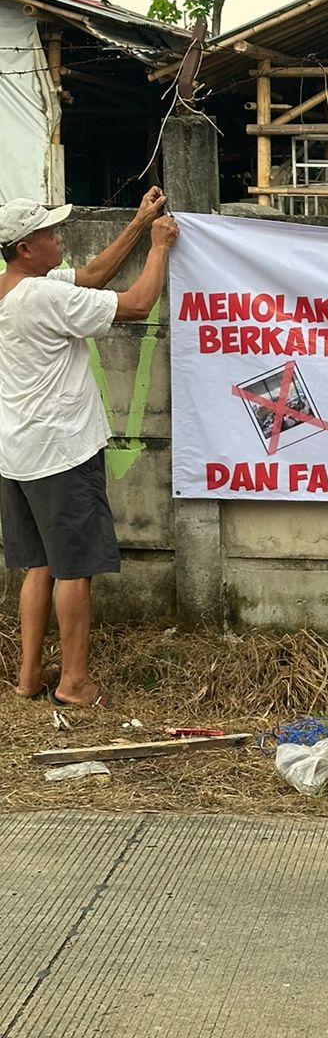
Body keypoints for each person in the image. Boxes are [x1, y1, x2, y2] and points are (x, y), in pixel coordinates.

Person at [0, 190, 179, 714]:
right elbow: (137, 303)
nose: (61, 239)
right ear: (26, 247)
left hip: (18, 451)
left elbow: (95, 275)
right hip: (61, 451)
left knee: (38, 566)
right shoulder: (43, 298)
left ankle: (28, 675)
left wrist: (141, 219)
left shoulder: (16, 289)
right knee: (73, 567)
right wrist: (159, 247)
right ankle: (74, 683)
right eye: (51, 234)